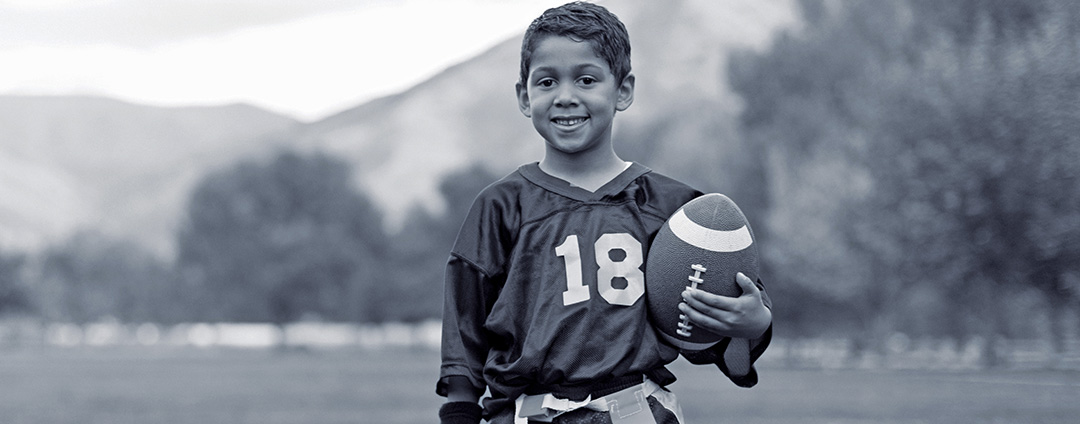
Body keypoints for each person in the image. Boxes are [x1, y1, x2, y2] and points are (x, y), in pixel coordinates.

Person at [437, 2, 772, 423]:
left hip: (639, 410)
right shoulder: (500, 206)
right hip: (527, 412)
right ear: (525, 96)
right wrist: (461, 412)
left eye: (586, 79)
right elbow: (464, 331)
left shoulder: (674, 209)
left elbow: (720, 332)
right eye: (546, 82)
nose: (565, 96)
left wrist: (752, 324)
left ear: (623, 90)